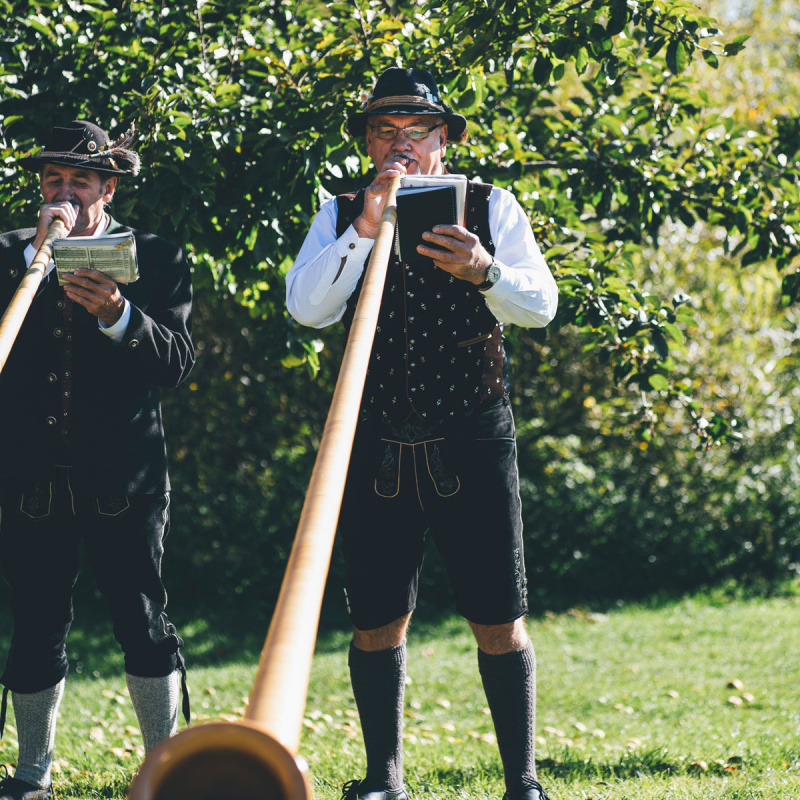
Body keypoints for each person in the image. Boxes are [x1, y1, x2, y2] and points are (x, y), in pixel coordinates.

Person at [287, 68, 558, 800]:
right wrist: (365, 229)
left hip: (472, 432)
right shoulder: (340, 206)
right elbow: (308, 309)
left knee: (498, 612)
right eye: (385, 131)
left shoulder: (491, 204)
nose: (400, 144)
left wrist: (485, 269)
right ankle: (384, 777)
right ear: (369, 142)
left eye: (416, 131)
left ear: (443, 139)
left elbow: (542, 305)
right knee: (376, 615)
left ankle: (522, 781)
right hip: (373, 437)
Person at [0, 120, 194, 800]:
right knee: (35, 622)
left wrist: (119, 314)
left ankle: (165, 768)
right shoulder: (4, 255)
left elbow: (175, 363)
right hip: (31, 478)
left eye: (79, 180)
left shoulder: (158, 257)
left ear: (107, 189)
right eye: (53, 180)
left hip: (124, 477)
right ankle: (32, 771)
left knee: (142, 619)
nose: (64, 191)